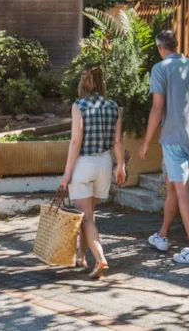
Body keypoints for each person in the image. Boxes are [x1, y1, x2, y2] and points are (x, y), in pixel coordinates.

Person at [139, 29, 189, 265]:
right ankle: (162, 235)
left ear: (160, 48)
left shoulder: (160, 68)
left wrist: (146, 143)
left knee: (182, 189)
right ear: (177, 45)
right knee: (173, 185)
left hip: (174, 139)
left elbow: (157, 109)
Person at [60, 64, 126, 278]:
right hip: (105, 164)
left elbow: (75, 142)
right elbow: (118, 140)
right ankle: (81, 257)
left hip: (84, 165)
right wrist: (121, 165)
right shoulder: (113, 106)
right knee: (88, 215)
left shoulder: (79, 106)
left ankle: (100, 259)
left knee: (86, 217)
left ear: (83, 82)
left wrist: (67, 173)